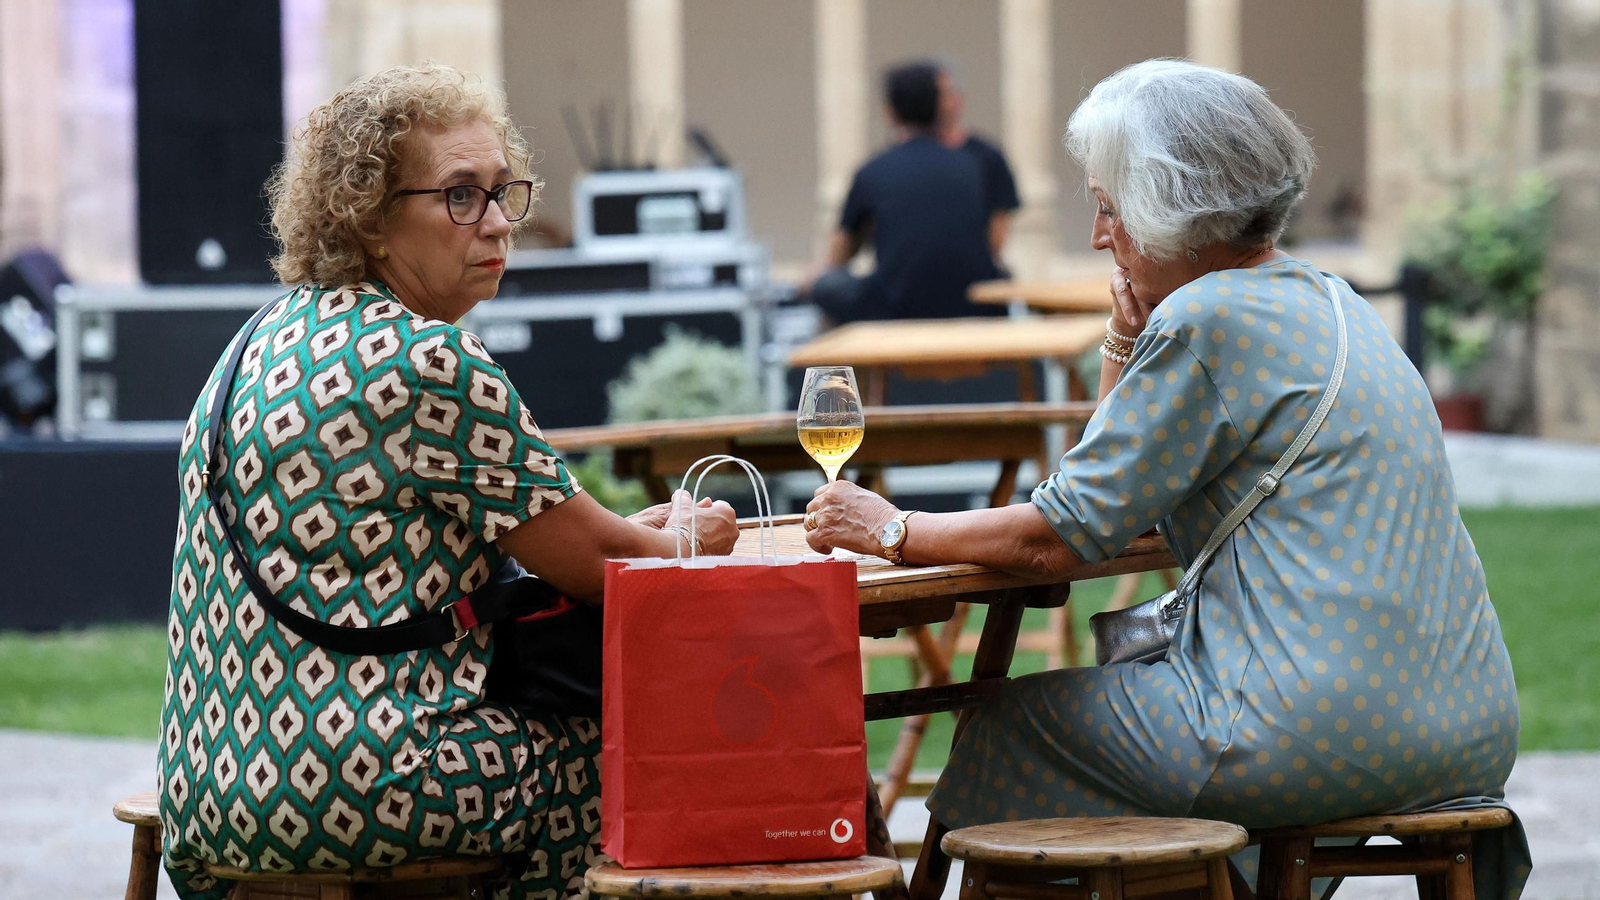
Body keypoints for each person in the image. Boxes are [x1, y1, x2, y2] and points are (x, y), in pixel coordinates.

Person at [803, 59, 1530, 898]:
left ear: (1168, 207)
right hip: (1467, 724)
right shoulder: (1330, 299)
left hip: (1317, 729)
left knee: (1004, 724)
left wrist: (890, 527)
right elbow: (1112, 499)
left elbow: (1055, 537)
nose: (1097, 235)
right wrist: (1122, 339)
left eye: (1108, 208)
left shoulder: (1205, 317)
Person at [156, 63, 740, 900]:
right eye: (462, 196)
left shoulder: (257, 340)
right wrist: (690, 534)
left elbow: (546, 530)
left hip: (207, 797)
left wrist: (633, 530)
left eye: (506, 192)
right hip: (362, 786)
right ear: (371, 222)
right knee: (662, 750)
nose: (499, 224)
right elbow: (606, 566)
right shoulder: (429, 359)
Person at [807, 61, 1003, 323]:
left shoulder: (874, 171)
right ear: (939, 109)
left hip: (895, 309)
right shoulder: (973, 166)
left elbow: (840, 253)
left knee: (827, 285)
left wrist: (808, 281)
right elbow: (992, 242)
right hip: (970, 306)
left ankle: (831, 361)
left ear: (890, 112)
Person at [933, 62, 1021, 269]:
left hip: (975, 270)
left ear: (959, 99)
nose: (941, 103)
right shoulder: (909, 160)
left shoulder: (987, 157)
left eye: (947, 94)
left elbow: (999, 222)